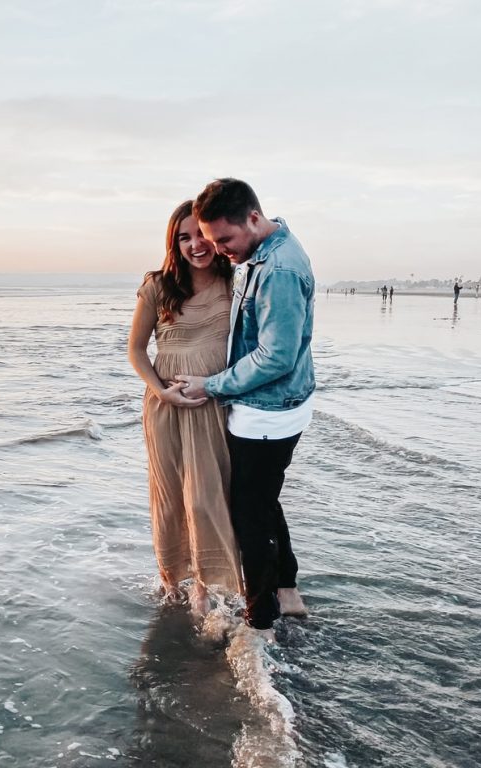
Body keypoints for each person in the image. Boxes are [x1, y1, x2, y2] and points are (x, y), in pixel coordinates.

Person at [175, 179, 315, 641]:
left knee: (248, 514)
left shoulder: (279, 269)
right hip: (273, 407)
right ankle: (287, 590)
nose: (220, 250)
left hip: (267, 412)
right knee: (263, 500)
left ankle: (260, 619)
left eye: (224, 240)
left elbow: (277, 356)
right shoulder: (266, 252)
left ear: (253, 218)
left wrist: (212, 385)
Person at [128, 200, 243, 618]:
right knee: (172, 496)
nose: (196, 244)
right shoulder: (158, 285)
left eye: (202, 235)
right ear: (173, 242)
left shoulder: (235, 282)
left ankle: (207, 585)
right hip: (166, 407)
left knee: (207, 496)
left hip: (213, 404)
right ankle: (173, 579)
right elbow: (136, 351)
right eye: (184, 237)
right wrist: (162, 393)